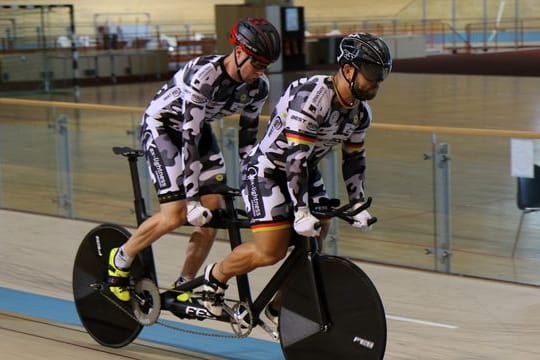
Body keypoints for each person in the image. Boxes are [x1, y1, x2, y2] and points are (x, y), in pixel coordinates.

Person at [198, 32, 392, 319]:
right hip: (268, 170)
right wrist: (300, 211)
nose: (377, 82)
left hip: (304, 170)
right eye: (373, 74)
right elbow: (295, 157)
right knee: (271, 252)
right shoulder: (312, 96)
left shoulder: (361, 113)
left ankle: (279, 308)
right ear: (348, 69)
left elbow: (354, 159)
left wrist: (358, 203)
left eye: (383, 74)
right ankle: (214, 277)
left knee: (314, 241)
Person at [107, 17, 281, 302]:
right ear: (238, 52)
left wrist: (254, 187)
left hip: (198, 130)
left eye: (266, 66)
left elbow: (248, 143)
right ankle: (121, 258)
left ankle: (183, 285)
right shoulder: (205, 75)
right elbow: (189, 139)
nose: (260, 72)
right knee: (175, 214)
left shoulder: (257, 87)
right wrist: (191, 201)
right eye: (257, 63)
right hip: (164, 127)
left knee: (212, 213)